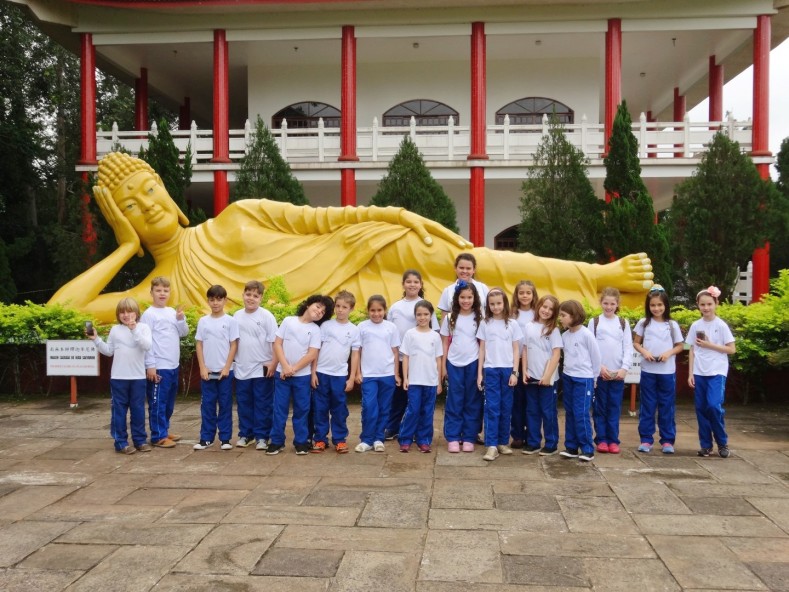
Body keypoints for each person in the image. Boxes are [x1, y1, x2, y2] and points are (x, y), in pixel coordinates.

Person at [50, 152, 654, 323]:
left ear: (170, 193)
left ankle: (597, 278)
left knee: (475, 264)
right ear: (119, 219)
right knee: (454, 297)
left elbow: (326, 219)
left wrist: (395, 214)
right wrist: (127, 249)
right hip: (341, 307)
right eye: (131, 207)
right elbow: (62, 311)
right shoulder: (156, 286)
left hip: (363, 248)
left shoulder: (237, 215)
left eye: (150, 190)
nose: (148, 206)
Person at [267, 295, 333, 455]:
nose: (319, 312)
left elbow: (312, 354)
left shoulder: (316, 330)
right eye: (317, 306)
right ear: (308, 304)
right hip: (282, 375)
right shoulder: (289, 321)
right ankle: (276, 441)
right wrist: (283, 366)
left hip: (302, 377)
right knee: (279, 408)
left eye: (323, 312)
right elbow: (277, 344)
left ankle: (301, 441)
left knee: (302, 409)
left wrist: (293, 369)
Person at [90, 297, 152, 454]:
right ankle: (120, 442)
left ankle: (140, 440)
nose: (126, 315)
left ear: (137, 313)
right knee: (119, 410)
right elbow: (109, 351)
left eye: (130, 311)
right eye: (122, 312)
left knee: (138, 410)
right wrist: (96, 340)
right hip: (118, 378)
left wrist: (134, 329)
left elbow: (146, 345)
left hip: (138, 377)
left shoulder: (143, 328)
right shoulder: (115, 330)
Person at [385, 270, 438, 441]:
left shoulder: (425, 304)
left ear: (421, 285)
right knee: (399, 396)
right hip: (401, 358)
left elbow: (434, 332)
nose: (412, 285)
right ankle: (393, 427)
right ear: (403, 284)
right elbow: (388, 331)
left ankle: (417, 431)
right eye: (408, 281)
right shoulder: (395, 307)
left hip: (421, 361)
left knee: (419, 402)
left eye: (416, 282)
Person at [633, 286, 684, 454]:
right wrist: (645, 352)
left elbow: (679, 346)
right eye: (653, 305)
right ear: (648, 306)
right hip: (648, 371)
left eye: (660, 305)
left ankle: (667, 440)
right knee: (647, 405)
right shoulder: (643, 323)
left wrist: (668, 353)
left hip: (667, 372)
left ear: (666, 305)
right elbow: (636, 343)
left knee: (666, 406)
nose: (656, 308)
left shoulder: (672, 324)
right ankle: (646, 439)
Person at [139, 276, 188, 449]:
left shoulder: (171, 312)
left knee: (168, 402)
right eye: (158, 290)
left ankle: (164, 430)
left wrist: (181, 318)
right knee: (157, 402)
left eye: (165, 291)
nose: (162, 294)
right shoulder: (148, 315)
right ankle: (158, 436)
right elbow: (146, 343)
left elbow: (183, 333)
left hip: (173, 365)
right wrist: (150, 365)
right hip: (159, 366)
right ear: (151, 292)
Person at [686, 286, 735, 458]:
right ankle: (706, 445)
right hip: (699, 372)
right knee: (701, 409)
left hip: (716, 372)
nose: (706, 308)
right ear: (698, 306)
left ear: (716, 303)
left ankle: (722, 442)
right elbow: (691, 349)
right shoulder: (695, 325)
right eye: (702, 305)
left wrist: (709, 345)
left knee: (714, 406)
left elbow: (731, 349)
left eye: (709, 304)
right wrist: (690, 373)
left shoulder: (721, 325)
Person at [310, 290, 360, 454]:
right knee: (320, 408)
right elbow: (316, 349)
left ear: (351, 309)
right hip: (322, 373)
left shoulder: (354, 330)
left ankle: (339, 439)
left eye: (344, 307)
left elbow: (355, 355)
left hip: (339, 376)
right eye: (338, 306)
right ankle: (320, 439)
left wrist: (351, 378)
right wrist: (314, 372)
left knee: (339, 409)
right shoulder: (326, 325)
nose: (340, 310)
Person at [477, 288, 523, 462]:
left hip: (507, 370)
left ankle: (503, 442)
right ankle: (491, 445)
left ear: (504, 303)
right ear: (488, 305)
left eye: (499, 303)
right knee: (492, 408)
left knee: (506, 407)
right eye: (492, 304)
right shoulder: (485, 323)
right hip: (491, 370)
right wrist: (479, 373)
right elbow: (481, 349)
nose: (496, 307)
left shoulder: (512, 324)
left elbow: (516, 349)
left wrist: (515, 372)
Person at [233, 280, 278, 450]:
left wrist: (273, 363)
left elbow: (276, 342)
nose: (251, 298)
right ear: (243, 295)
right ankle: (246, 434)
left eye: (255, 296)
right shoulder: (236, 316)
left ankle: (262, 436)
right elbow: (233, 342)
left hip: (262, 368)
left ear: (261, 298)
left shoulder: (267, 316)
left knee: (263, 403)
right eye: (248, 294)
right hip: (242, 368)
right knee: (244, 403)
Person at [193, 285, 239, 451]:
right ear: (208, 301)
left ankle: (225, 438)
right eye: (212, 300)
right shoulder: (203, 321)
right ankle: (206, 438)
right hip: (208, 373)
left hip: (225, 373)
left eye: (219, 299)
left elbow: (234, 345)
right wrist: (202, 367)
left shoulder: (231, 321)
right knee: (207, 406)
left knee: (225, 405)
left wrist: (227, 368)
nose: (215, 303)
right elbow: (199, 345)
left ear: (225, 300)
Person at [589, 287, 633, 455]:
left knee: (614, 408)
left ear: (617, 304)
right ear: (601, 303)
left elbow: (628, 347)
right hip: (600, 374)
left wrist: (624, 368)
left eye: (612, 304)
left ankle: (613, 440)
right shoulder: (594, 322)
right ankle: (601, 439)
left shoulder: (623, 323)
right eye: (605, 303)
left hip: (617, 374)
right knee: (600, 408)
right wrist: (599, 367)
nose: (608, 307)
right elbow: (591, 348)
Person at [440, 281, 483, 453]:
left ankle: (469, 437)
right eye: (462, 297)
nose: (466, 301)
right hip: (454, 363)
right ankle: (453, 436)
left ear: (475, 298)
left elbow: (483, 344)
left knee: (472, 401)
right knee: (454, 400)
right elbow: (444, 343)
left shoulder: (480, 317)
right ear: (457, 299)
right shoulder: (450, 318)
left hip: (473, 362)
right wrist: (443, 366)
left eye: (469, 297)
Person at [355, 295, 401, 453]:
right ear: (368, 311)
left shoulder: (391, 327)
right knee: (369, 406)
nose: (376, 313)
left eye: (379, 310)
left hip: (387, 374)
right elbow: (357, 351)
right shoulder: (362, 327)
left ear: (385, 310)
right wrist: (357, 372)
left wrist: (396, 374)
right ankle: (366, 439)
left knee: (384, 407)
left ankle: (378, 438)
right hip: (368, 375)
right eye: (373, 310)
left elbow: (395, 352)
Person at [557, 300, 601, 462]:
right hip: (568, 377)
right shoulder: (565, 335)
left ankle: (587, 448)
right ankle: (571, 446)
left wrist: (595, 377)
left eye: (563, 315)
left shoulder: (586, 334)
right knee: (569, 412)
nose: (560, 318)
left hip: (584, 379)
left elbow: (596, 357)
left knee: (581, 412)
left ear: (574, 316)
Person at [398, 300, 443, 453]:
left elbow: (438, 359)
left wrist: (439, 382)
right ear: (415, 316)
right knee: (413, 409)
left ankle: (424, 440)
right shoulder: (410, 334)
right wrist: (406, 378)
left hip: (430, 381)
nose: (422, 317)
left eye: (425, 314)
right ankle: (405, 439)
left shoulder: (435, 336)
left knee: (427, 411)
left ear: (431, 316)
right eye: (419, 314)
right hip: (414, 381)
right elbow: (406, 357)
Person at [521, 294, 562, 456]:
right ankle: (533, 442)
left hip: (548, 379)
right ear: (538, 306)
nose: (546, 311)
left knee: (548, 411)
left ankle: (551, 443)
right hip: (531, 376)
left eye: (550, 309)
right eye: (544, 306)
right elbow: (524, 349)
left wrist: (547, 376)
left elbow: (556, 354)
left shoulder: (553, 330)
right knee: (532, 410)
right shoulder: (529, 326)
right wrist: (524, 370)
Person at [510, 280, 537, 449]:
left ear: (533, 295)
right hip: (515, 361)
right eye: (521, 293)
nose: (525, 296)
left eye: (528, 293)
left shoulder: (537, 313)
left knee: (532, 401)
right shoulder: (512, 313)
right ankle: (517, 434)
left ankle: (532, 435)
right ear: (516, 295)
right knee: (516, 401)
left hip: (533, 362)